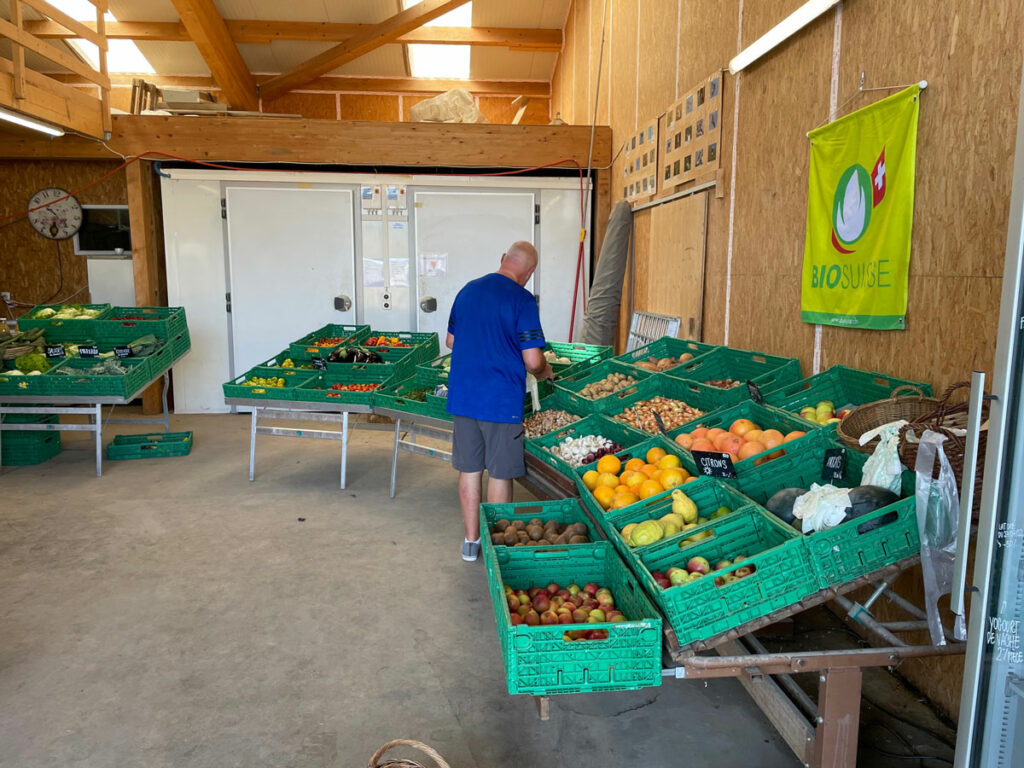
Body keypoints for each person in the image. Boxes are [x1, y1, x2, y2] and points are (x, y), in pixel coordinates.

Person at [445, 241, 554, 562]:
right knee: (500, 473)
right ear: (529, 272)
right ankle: (498, 548)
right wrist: (547, 372)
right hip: (500, 399)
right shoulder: (522, 300)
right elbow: (533, 361)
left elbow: (451, 340)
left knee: (469, 470)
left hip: (464, 395)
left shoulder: (467, 290)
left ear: (504, 259)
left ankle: (470, 542)